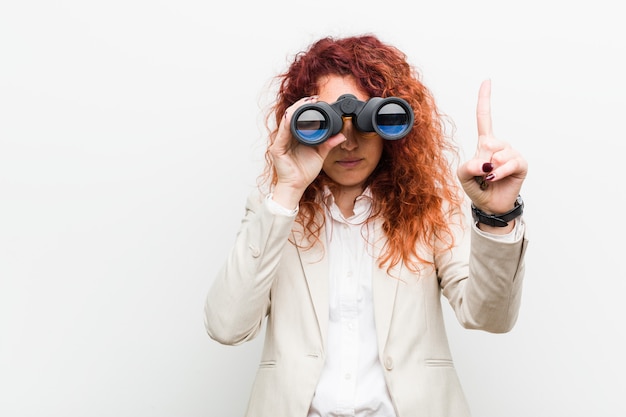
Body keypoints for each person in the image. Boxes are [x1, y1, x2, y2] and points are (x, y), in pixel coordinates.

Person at [204, 34, 528, 417]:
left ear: (395, 125)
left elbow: (490, 317)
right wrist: (287, 190)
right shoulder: (274, 212)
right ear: (301, 123)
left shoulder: (429, 210)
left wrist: (497, 216)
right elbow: (226, 326)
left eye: (369, 120)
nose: (348, 143)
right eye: (327, 124)